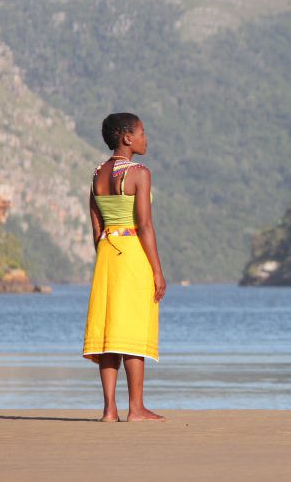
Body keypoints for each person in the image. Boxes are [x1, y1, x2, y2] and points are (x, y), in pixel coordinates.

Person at [82, 112, 167, 422]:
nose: (146, 138)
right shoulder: (139, 173)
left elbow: (96, 228)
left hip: (106, 253)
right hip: (132, 253)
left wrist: (106, 256)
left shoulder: (97, 174)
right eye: (142, 132)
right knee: (131, 328)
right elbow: (145, 225)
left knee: (108, 331)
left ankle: (108, 410)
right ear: (127, 138)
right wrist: (157, 270)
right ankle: (136, 408)